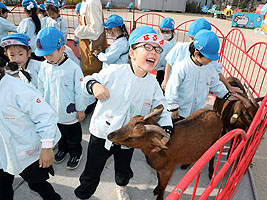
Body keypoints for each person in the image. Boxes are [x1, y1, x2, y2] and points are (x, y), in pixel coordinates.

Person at [74, 26, 173, 200]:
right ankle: (84, 193)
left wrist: (167, 130)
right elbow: (88, 80)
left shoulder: (152, 84)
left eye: (158, 49)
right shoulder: (115, 72)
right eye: (147, 47)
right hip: (102, 133)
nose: (154, 52)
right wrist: (94, 86)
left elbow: (162, 108)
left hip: (129, 137)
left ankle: (121, 187)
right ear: (132, 53)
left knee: (123, 167)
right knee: (93, 167)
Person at [0, 58, 62, 200]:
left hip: (26, 151)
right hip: (3, 152)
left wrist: (47, 148)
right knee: (2, 187)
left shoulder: (18, 89)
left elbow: (46, 117)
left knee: (37, 183)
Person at [35, 27, 87, 169]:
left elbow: (80, 91)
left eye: (50, 54)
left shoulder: (73, 68)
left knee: (73, 136)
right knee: (59, 134)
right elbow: (41, 86)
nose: (46, 58)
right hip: (52, 111)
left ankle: (76, 152)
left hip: (69, 113)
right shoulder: (44, 66)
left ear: (62, 48)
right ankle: (63, 149)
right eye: (44, 55)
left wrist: (81, 109)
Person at [165, 30, 237, 121]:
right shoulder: (182, 67)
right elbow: (171, 89)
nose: (211, 61)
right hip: (180, 112)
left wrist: (225, 94)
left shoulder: (209, 68)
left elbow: (215, 83)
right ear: (197, 54)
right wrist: (173, 107)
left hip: (197, 111)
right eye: (209, 58)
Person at [161, 18, 242, 94]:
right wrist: (166, 80)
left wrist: (229, 87)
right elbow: (169, 62)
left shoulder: (205, 55)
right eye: (191, 38)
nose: (192, 43)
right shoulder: (180, 47)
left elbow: (217, 72)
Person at [75, 0, 107, 76]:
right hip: (86, 48)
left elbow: (96, 29)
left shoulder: (92, 3)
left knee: (93, 76)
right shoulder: (85, 2)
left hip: (92, 49)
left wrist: (78, 31)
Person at [155, 17, 176, 85]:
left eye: (167, 32)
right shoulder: (160, 41)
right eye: (162, 31)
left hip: (167, 72)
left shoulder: (174, 45)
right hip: (159, 70)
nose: (164, 34)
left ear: (172, 31)